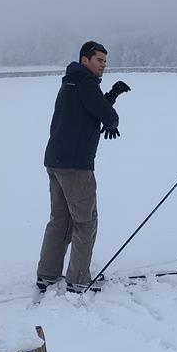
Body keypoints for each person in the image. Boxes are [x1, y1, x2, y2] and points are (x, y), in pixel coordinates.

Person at [36, 41, 131, 293]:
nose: (103, 66)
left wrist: (111, 95)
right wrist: (111, 119)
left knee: (60, 220)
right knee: (85, 221)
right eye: (99, 60)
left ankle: (46, 274)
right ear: (85, 59)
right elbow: (107, 116)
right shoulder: (86, 83)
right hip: (76, 166)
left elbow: (89, 108)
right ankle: (78, 279)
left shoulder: (71, 81)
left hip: (55, 161)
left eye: (105, 62)